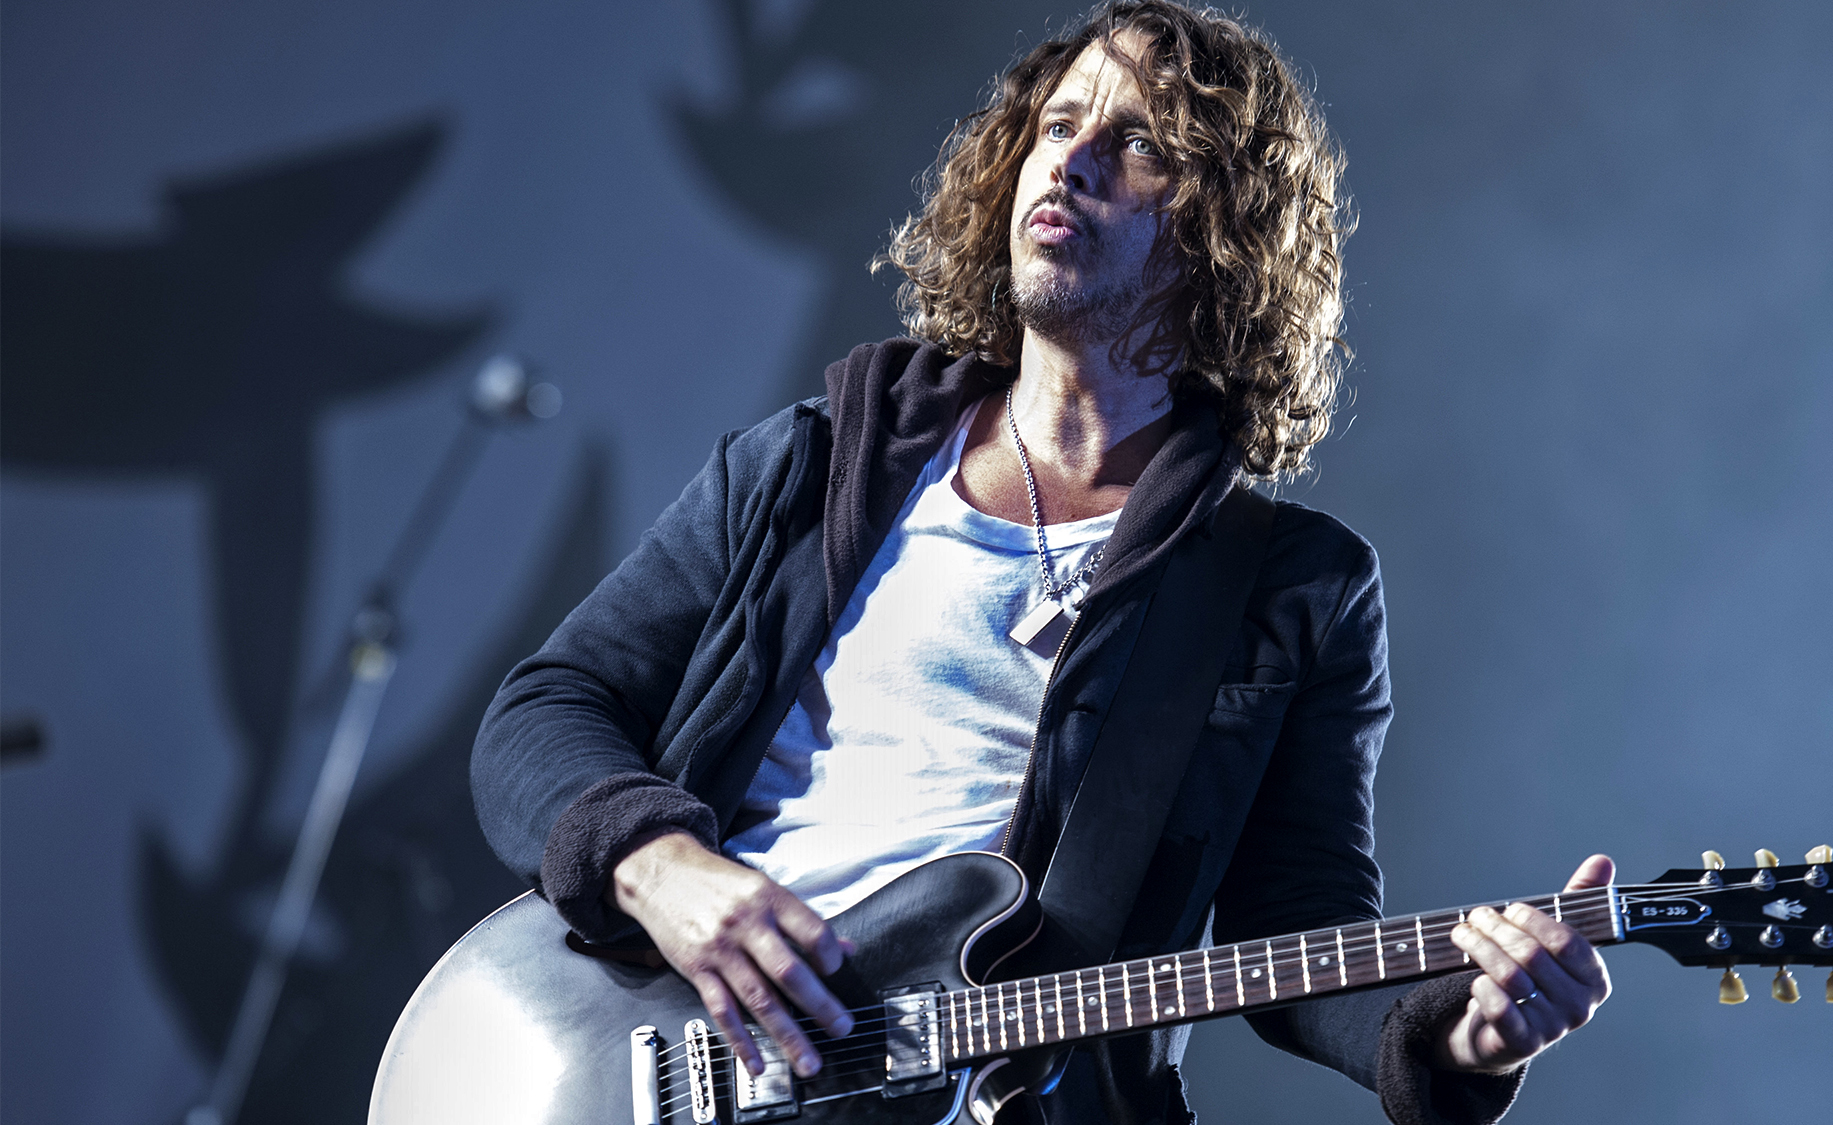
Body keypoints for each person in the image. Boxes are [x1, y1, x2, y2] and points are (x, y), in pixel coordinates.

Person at [471, 3, 1612, 1122]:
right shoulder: (813, 465)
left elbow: (1299, 923)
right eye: (1059, 125)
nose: (1070, 162)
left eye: (1139, 143)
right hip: (677, 1057)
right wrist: (661, 867)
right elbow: (546, 707)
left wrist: (1457, 1033)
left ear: (1226, 229)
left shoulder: (1291, 587)